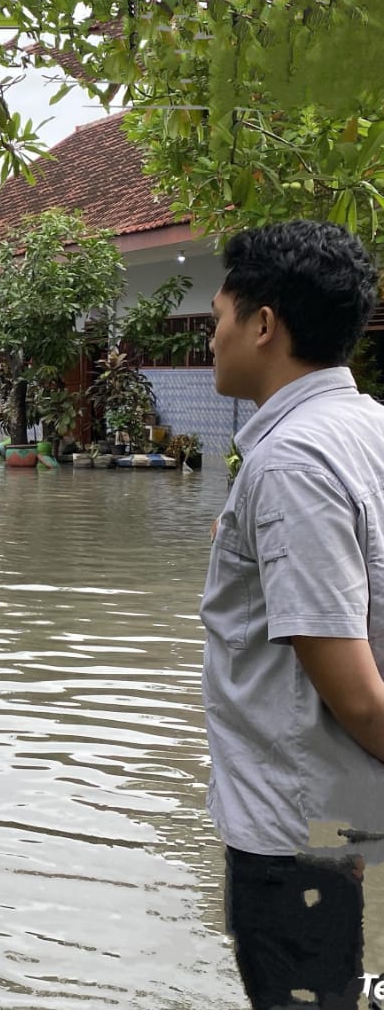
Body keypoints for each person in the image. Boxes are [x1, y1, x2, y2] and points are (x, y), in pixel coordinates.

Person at [202, 219, 384, 1009]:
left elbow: (357, 696)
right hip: (336, 818)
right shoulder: (367, 428)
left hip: (291, 835)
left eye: (217, 318)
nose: (211, 338)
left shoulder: (291, 462)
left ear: (263, 325)